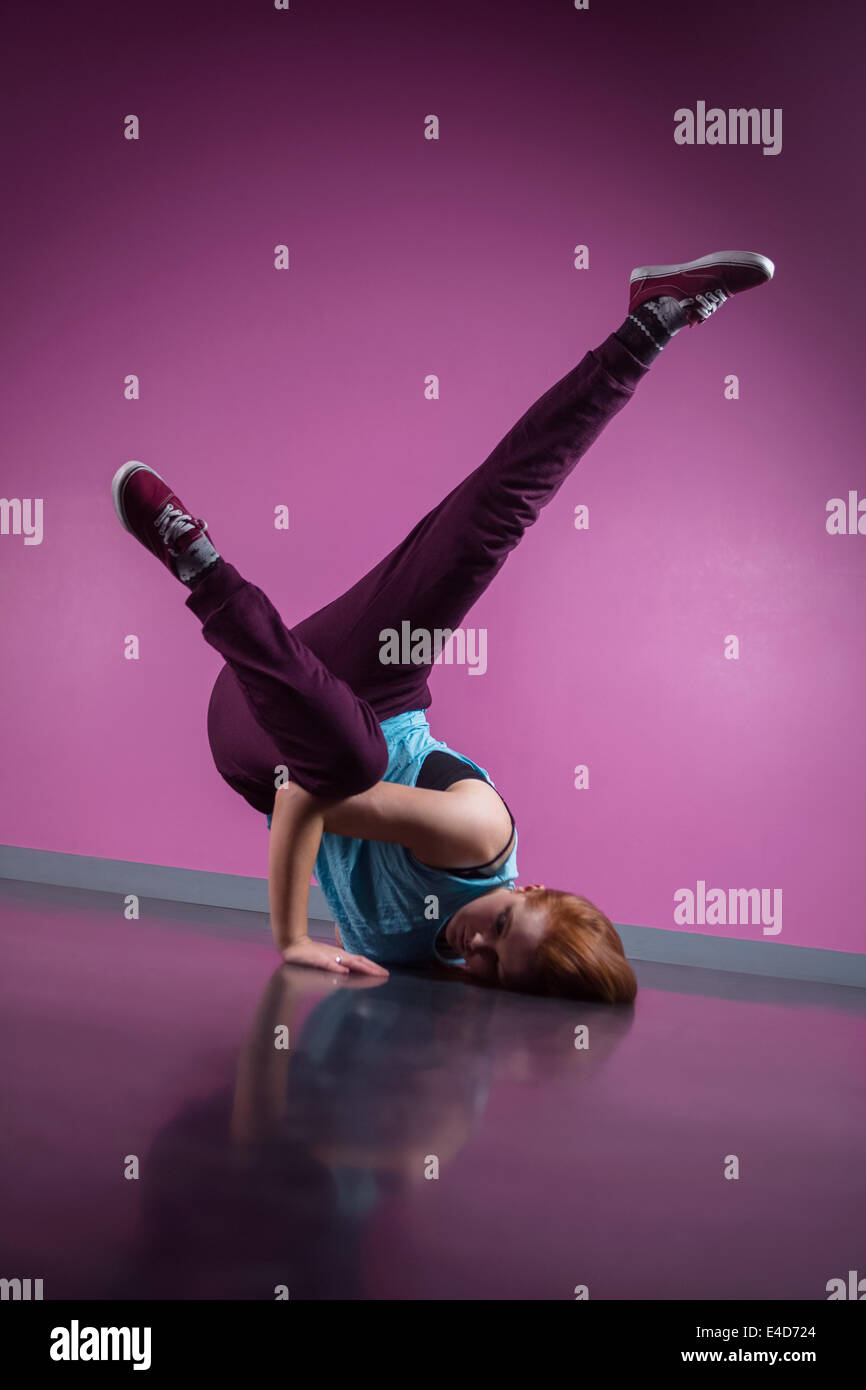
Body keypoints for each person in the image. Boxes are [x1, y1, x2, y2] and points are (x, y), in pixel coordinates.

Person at [112, 251, 774, 1003]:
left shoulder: (430, 961)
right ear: (534, 889)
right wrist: (293, 939)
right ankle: (650, 324)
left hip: (251, 737)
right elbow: (309, 798)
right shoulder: (477, 833)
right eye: (504, 928)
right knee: (484, 530)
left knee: (342, 756)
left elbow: (288, 788)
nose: (478, 948)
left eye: (493, 967)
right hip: (373, 687)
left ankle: (207, 575)